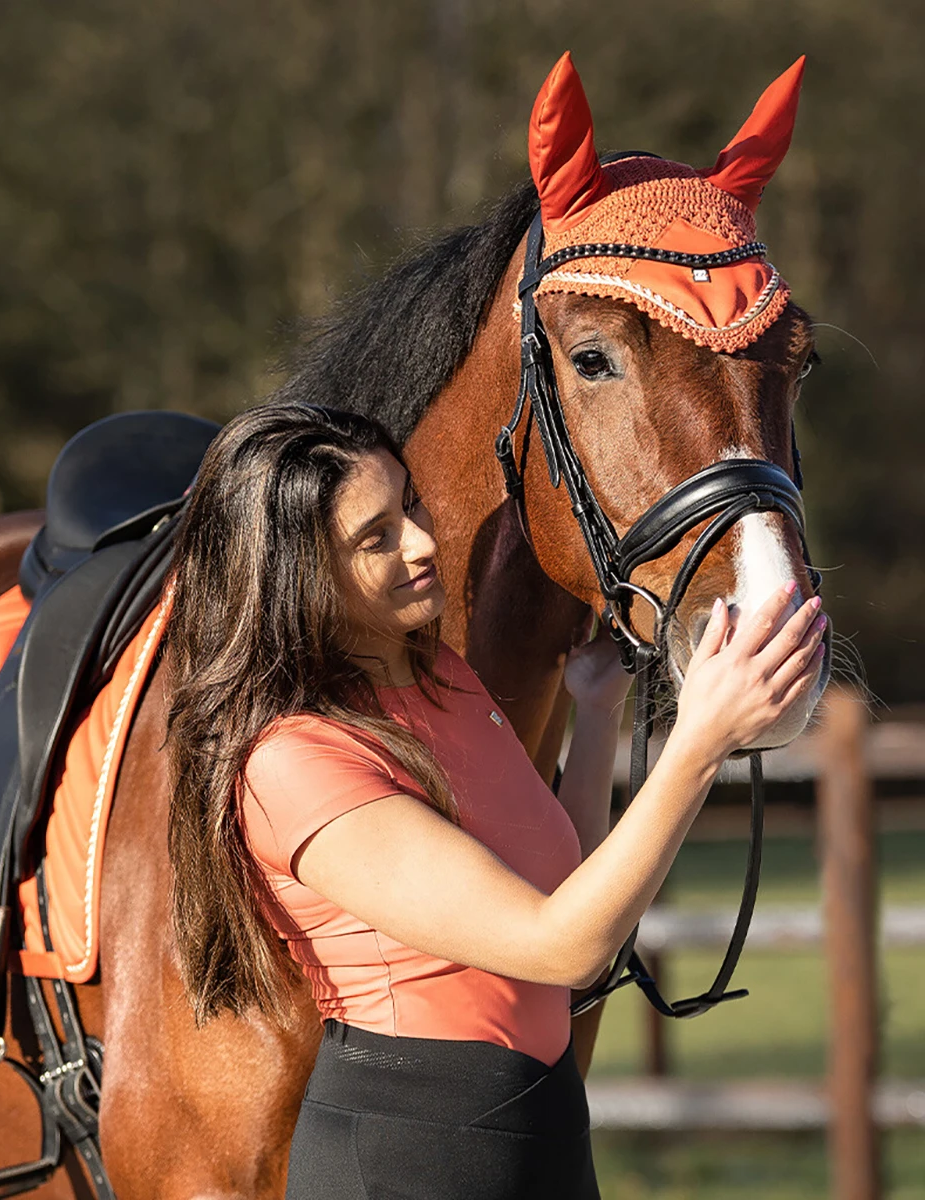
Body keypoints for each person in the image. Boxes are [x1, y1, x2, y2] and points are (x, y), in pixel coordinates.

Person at [163, 403, 826, 1199]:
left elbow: (569, 886)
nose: (421, 539)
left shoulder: (441, 678)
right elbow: (565, 946)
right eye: (375, 537)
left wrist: (596, 713)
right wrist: (701, 741)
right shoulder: (295, 763)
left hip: (536, 1123)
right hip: (416, 1150)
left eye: (408, 503)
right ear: (298, 577)